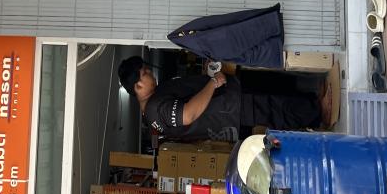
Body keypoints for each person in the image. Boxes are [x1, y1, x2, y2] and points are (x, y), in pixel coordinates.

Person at [117, 58, 333, 143]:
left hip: (228, 106)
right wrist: (212, 84)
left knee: (273, 97)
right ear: (138, 86)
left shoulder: (152, 111)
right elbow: (188, 114)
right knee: (274, 108)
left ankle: (314, 98)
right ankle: (318, 112)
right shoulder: (155, 109)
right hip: (228, 108)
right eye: (145, 73)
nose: (150, 73)